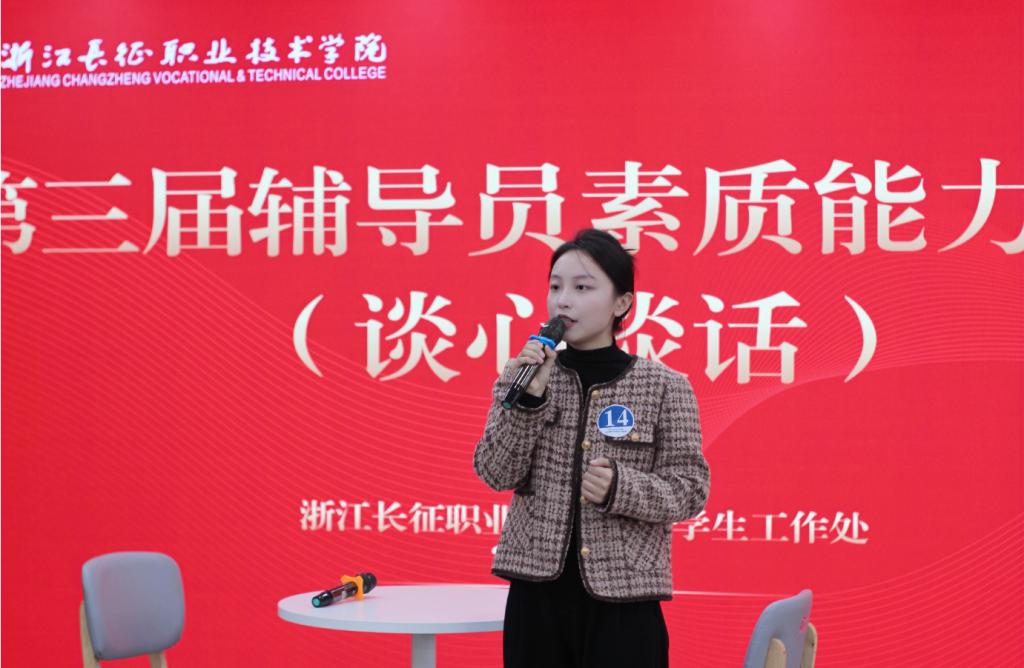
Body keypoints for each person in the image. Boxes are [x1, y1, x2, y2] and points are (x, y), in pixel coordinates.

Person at [473, 229, 711, 668]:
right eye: (555, 287)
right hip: (536, 596)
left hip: (625, 599)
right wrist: (529, 402)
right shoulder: (523, 375)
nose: (563, 301)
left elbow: (690, 489)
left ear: (621, 303)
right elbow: (495, 471)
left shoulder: (664, 386)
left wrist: (622, 488)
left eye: (582, 288)